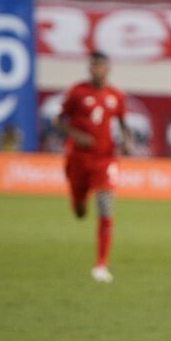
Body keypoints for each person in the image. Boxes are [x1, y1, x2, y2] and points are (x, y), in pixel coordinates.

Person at [57, 51, 131, 284]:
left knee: (106, 206)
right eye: (95, 66)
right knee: (80, 211)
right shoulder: (77, 93)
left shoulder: (116, 96)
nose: (98, 70)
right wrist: (75, 135)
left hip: (105, 159)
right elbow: (59, 120)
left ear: (108, 69)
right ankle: (78, 199)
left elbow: (123, 123)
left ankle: (101, 265)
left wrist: (128, 142)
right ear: (90, 69)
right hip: (79, 159)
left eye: (102, 66)